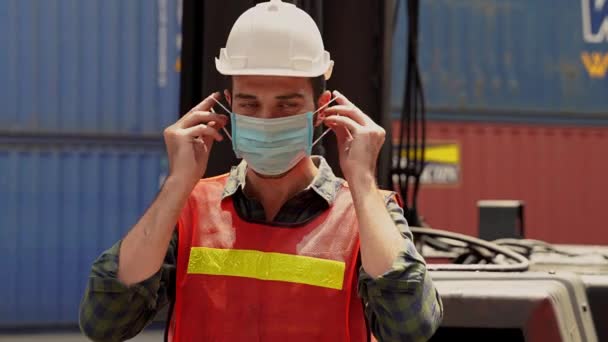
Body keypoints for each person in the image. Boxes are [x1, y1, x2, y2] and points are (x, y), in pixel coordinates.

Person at [79, 1, 442, 341]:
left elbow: (410, 327)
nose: (266, 120)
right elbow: (105, 321)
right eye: (250, 104)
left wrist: (362, 180)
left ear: (321, 109)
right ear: (227, 107)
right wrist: (177, 183)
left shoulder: (367, 213)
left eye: (287, 106)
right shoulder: (188, 208)